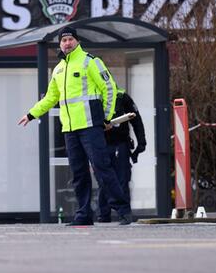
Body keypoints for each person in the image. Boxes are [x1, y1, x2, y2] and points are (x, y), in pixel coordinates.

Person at [18, 26, 133, 225]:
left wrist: (106, 117)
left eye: (70, 39)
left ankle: (123, 210)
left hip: (91, 126)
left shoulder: (90, 62)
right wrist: (31, 113)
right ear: (60, 45)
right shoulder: (59, 70)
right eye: (63, 40)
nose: (67, 43)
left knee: (102, 168)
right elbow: (51, 98)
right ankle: (83, 214)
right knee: (79, 174)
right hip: (69, 130)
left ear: (77, 41)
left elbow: (109, 88)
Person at [98, 90, 147, 222]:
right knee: (103, 180)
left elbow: (136, 119)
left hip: (120, 143)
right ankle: (104, 214)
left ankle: (124, 214)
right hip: (101, 145)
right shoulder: (95, 97)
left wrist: (141, 142)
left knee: (122, 179)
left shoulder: (121, 96)